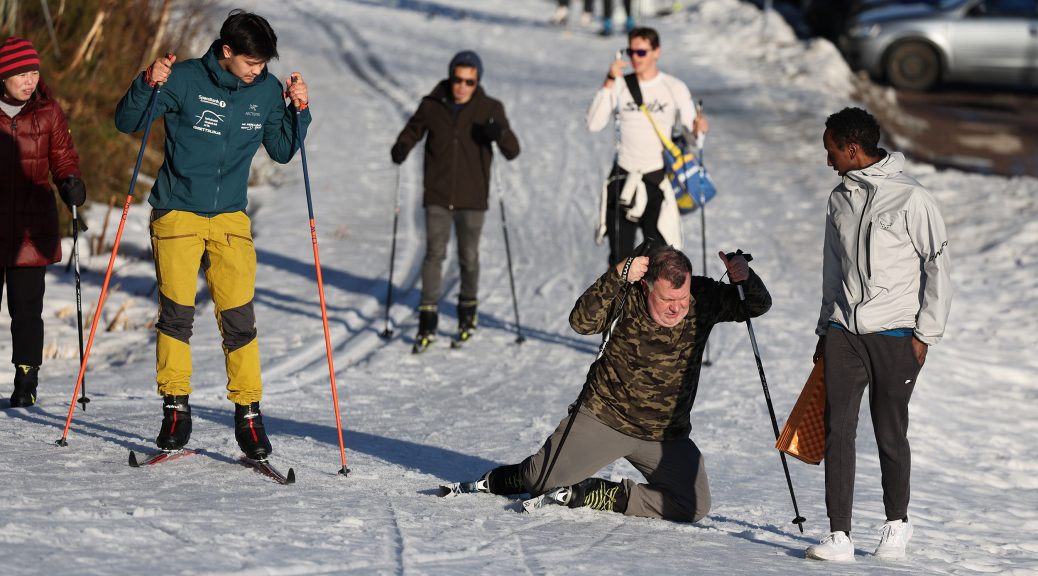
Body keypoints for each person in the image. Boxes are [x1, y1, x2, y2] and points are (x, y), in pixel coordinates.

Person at [114, 10, 310, 459]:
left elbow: (282, 150)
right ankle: (175, 408)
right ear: (226, 51)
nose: (258, 71)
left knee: (239, 319)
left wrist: (300, 111)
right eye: (251, 62)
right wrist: (147, 83)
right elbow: (127, 122)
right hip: (177, 212)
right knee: (176, 317)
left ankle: (249, 415)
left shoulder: (265, 91)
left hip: (229, 219)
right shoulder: (184, 79)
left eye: (263, 63)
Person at [456, 245, 771, 522]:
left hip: (665, 435)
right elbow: (581, 322)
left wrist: (745, 277)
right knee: (540, 481)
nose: (677, 307)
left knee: (693, 505)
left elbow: (756, 305)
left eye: (682, 298)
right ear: (647, 286)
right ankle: (513, 477)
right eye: (667, 299)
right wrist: (617, 275)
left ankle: (596, 494)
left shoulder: (704, 297)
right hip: (606, 417)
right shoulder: (628, 294)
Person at [806, 107, 952, 562]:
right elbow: (833, 268)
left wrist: (925, 335)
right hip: (845, 332)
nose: (827, 159)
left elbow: (938, 268)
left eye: (831, 151)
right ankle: (839, 535)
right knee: (837, 430)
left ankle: (897, 522)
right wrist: (825, 327)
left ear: (853, 149)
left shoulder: (913, 198)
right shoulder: (839, 200)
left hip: (896, 334)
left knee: (889, 431)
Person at [390, 50, 520, 353]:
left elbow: (512, 150)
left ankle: (467, 314)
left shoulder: (490, 108)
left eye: (469, 82)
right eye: (457, 80)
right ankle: (427, 320)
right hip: (437, 194)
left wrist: (499, 133)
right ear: (450, 77)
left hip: (472, 197)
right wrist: (401, 147)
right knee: (434, 254)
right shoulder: (431, 104)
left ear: (477, 81)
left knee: (468, 257)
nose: (462, 86)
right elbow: (411, 131)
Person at [1, 37, 85, 408]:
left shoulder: (48, 111)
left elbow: (63, 158)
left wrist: (71, 183)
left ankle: (26, 379)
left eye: (33, 72)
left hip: (31, 224)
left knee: (26, 309)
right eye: (21, 73)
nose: (29, 80)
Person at [586, 27, 708, 267]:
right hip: (623, 180)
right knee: (620, 265)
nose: (635, 58)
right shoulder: (620, 85)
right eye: (631, 52)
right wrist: (609, 80)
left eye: (641, 52)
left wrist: (698, 129)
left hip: (656, 181)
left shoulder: (674, 87)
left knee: (660, 265)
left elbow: (694, 139)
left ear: (656, 52)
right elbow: (593, 123)